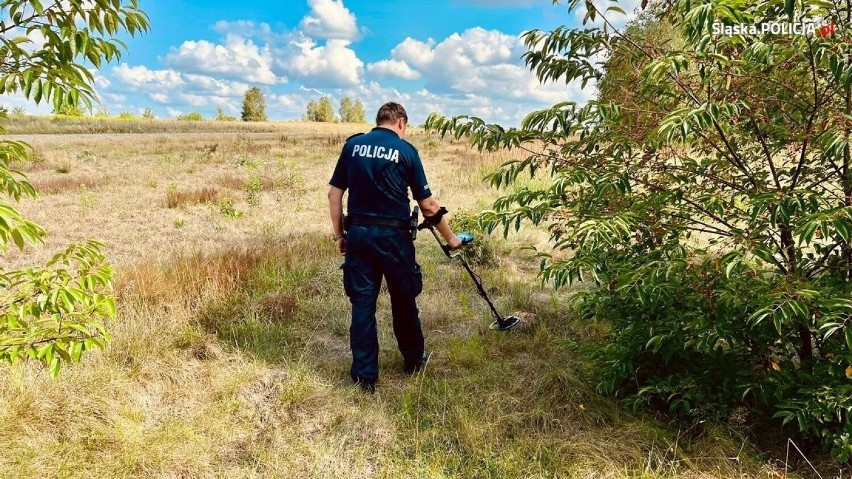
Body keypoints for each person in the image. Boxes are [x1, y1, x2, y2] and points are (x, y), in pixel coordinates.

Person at [328, 102, 462, 394]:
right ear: (401, 122)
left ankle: (365, 379)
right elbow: (427, 205)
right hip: (394, 240)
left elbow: (334, 194)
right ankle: (413, 361)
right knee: (403, 301)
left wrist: (340, 235)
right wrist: (451, 239)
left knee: (362, 305)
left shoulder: (353, 147)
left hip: (360, 236)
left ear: (378, 121)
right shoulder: (406, 151)